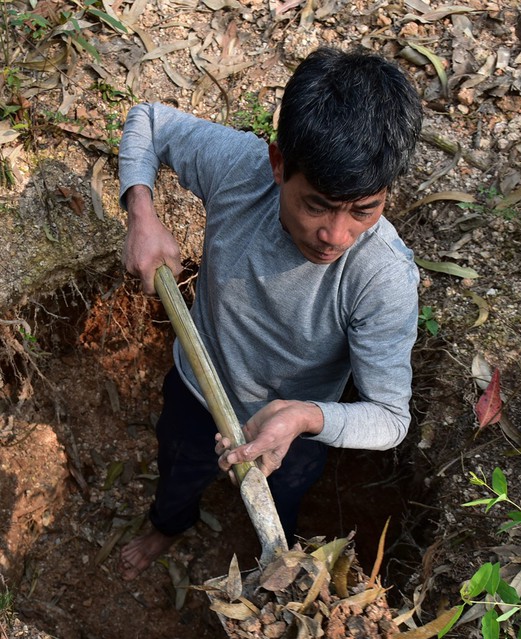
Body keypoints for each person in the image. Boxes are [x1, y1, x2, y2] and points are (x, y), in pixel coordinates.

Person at [117, 46, 422, 581]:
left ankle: (269, 565)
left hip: (294, 434)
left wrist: (305, 417)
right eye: (317, 205)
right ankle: (166, 528)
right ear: (279, 165)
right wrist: (141, 212)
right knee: (179, 472)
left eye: (364, 210)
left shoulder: (382, 277)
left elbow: (391, 418)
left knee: (282, 500)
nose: (336, 236)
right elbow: (148, 119)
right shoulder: (240, 167)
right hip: (198, 390)